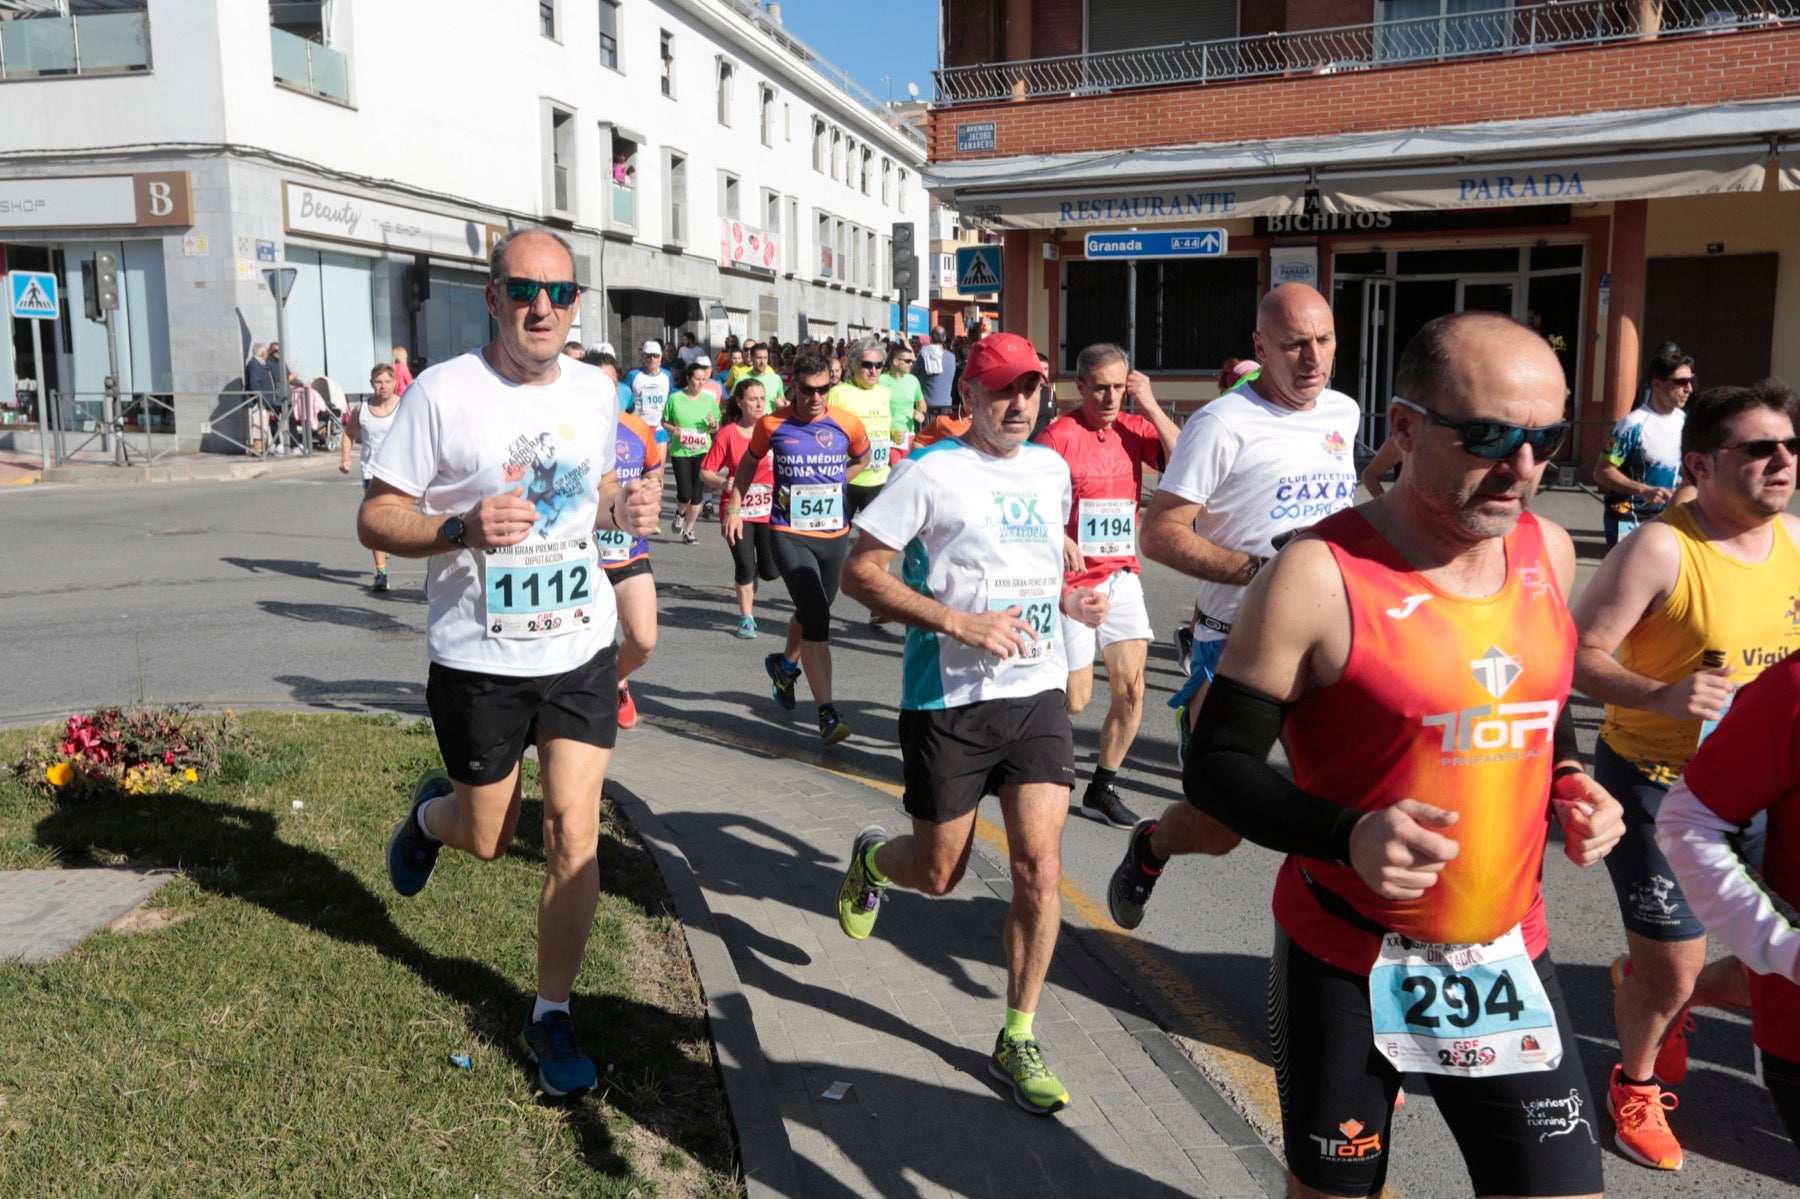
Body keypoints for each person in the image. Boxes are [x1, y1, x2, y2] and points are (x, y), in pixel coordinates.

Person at [1184, 311, 1622, 1198]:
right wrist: (1347, 833)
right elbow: (1216, 766)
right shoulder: (1315, 575)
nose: (1524, 467)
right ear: (1406, 427)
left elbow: (1536, 702)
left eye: (1545, 437)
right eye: (1491, 435)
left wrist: (1573, 780)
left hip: (1503, 954)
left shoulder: (1547, 549)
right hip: (1347, 957)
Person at [357, 228, 657, 1099]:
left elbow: (590, 492)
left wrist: (624, 503)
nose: (543, 308)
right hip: (478, 658)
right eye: (524, 291)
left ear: (576, 306)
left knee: (573, 829)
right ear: (493, 298)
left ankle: (550, 1012)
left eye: (560, 294)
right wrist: (458, 527)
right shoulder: (443, 395)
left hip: (578, 645)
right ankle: (429, 820)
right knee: (489, 837)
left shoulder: (598, 390)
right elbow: (376, 518)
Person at [838, 329, 1110, 1116]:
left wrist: (1071, 602)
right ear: (968, 397)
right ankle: (874, 863)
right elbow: (862, 572)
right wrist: (959, 623)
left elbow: (1038, 564)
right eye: (999, 389)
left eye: (1028, 387)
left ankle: (1016, 1033)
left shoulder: (1052, 468)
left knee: (1040, 868)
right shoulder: (931, 472)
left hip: (1035, 696)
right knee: (941, 872)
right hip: (947, 701)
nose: (1017, 403)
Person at [1571, 377, 1800, 1170]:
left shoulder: (1798, 543)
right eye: (1759, 447)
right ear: (1700, 464)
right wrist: (1660, 691)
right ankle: (1634, 1080)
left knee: (1775, 953)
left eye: (1791, 446)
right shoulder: (1662, 546)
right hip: (1661, 783)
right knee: (1674, 965)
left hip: (1769, 790)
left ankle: (1675, 991)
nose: (1782, 460)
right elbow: (1576, 655)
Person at [1108, 283, 1360, 929]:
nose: (1312, 358)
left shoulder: (1343, 411)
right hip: (1234, 643)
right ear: (1259, 346)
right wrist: (1266, 573)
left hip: (1328, 642)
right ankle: (1151, 846)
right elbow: (1160, 532)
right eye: (1294, 344)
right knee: (1221, 828)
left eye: (1324, 340)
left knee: (1349, 796)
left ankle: (1328, 941)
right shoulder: (1221, 423)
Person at [1656, 654, 1800, 1150]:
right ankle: (1660, 1000)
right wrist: (1786, 947)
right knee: (1672, 973)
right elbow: (1688, 820)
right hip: (1650, 759)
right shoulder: (1793, 685)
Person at [1036, 343, 1179, 829]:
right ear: (1081, 387)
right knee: (1075, 699)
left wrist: (1152, 405)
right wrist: (1058, 537)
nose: (1112, 396)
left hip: (1120, 575)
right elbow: (1029, 500)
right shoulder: (1058, 437)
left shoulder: (1135, 429)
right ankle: (1027, 752)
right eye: (1101, 387)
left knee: (1133, 688)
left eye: (1119, 386)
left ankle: (1101, 787)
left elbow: (1183, 461)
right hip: (1072, 584)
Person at [724, 352, 870, 745]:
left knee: (812, 612)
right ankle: (826, 713)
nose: (816, 397)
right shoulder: (773, 424)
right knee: (818, 617)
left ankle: (785, 666)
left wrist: (838, 480)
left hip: (834, 535)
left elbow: (863, 458)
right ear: (794, 388)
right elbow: (748, 464)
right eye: (808, 390)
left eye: (824, 390)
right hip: (788, 532)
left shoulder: (847, 423)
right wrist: (736, 507)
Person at [602, 405, 663, 732]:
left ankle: (616, 679)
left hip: (629, 552)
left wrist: (650, 490)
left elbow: (653, 472)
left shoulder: (637, 428)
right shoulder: (566, 423)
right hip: (581, 557)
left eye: (611, 385)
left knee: (642, 641)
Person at [1596, 349, 1696, 546]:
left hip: (1668, 516)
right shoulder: (1632, 424)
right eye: (1681, 382)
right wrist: (1643, 490)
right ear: (1657, 384)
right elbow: (1602, 473)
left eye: (1691, 380)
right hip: (1628, 516)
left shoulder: (1682, 419)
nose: (1689, 389)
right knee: (1628, 576)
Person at [703, 378, 779, 638]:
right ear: (740, 402)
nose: (759, 403)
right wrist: (724, 481)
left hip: (769, 510)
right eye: (753, 399)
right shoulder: (728, 434)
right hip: (737, 510)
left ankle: (754, 575)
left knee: (770, 571)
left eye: (762, 398)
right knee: (745, 566)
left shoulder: (774, 430)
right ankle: (747, 617)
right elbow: (705, 472)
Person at [340, 362, 403, 590]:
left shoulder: (404, 406)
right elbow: (348, 435)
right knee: (376, 523)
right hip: (372, 472)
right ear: (371, 384)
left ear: (395, 383)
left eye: (387, 381)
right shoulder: (362, 410)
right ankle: (381, 574)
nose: (383, 386)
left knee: (410, 520)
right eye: (378, 382)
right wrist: (345, 459)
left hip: (403, 472)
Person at [829, 336, 898, 523]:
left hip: (878, 479)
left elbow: (883, 427)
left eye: (878, 365)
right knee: (837, 543)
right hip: (848, 478)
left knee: (873, 545)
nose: (873, 370)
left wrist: (892, 434)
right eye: (867, 364)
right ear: (853, 364)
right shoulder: (838, 393)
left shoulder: (885, 393)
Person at [662, 361, 721, 544]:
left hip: (703, 450)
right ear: (688, 379)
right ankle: (680, 513)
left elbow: (716, 426)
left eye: (704, 379)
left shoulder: (709, 400)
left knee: (697, 495)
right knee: (685, 493)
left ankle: (689, 530)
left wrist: (713, 424)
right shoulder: (675, 399)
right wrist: (673, 430)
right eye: (697, 378)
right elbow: (664, 422)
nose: (701, 382)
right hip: (681, 451)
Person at [623, 340, 676, 451]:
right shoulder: (633, 375)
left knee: (660, 467)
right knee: (641, 466)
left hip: (660, 428)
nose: (652, 359)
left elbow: (671, 398)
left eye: (655, 356)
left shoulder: (667, 375)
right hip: (639, 427)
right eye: (648, 355)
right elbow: (624, 396)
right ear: (643, 356)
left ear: (661, 357)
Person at [883, 340, 925, 462]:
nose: (911, 364)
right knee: (894, 474)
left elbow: (922, 405)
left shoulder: (913, 380)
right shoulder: (881, 380)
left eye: (911, 361)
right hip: (888, 436)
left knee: (906, 474)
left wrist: (920, 413)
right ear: (895, 362)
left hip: (909, 435)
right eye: (907, 361)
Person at [245, 343, 277, 455]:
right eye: (266, 351)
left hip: (266, 401)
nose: (268, 353)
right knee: (259, 425)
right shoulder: (254, 364)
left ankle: (262, 448)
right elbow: (254, 382)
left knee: (263, 425)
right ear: (262, 353)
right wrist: (260, 400)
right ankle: (258, 450)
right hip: (260, 402)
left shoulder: (262, 363)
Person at [746, 341, 785, 407]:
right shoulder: (742, 379)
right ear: (752, 358)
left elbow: (782, 402)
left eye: (765, 358)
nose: (762, 362)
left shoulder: (776, 379)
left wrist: (782, 405)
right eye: (759, 358)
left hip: (772, 417)